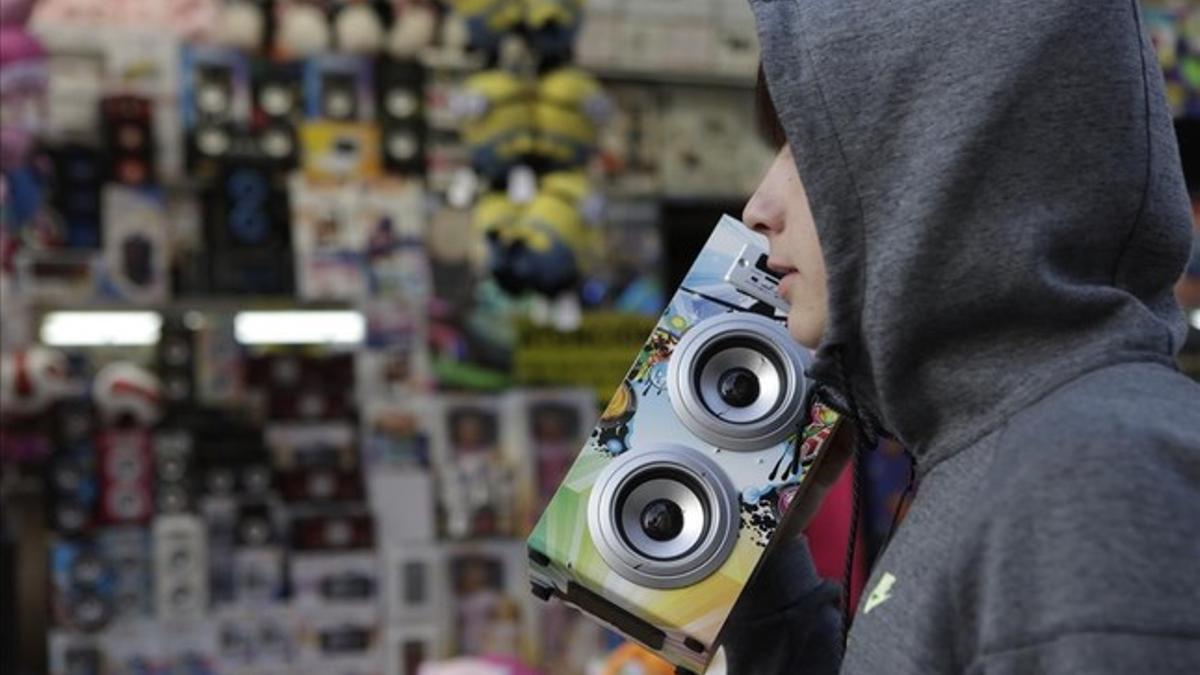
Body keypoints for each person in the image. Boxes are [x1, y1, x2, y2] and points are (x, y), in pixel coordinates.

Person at [722, 1, 1200, 673]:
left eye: (807, 149)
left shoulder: (1091, 474)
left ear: (935, 160)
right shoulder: (1004, 449)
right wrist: (767, 574)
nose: (758, 207)